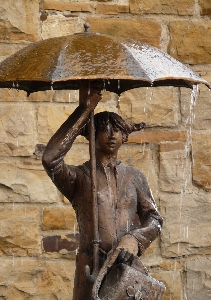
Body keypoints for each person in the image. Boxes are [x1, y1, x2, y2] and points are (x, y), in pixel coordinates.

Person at [42, 83, 163, 300]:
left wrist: (135, 240)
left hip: (126, 269)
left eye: (116, 129)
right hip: (91, 267)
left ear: (124, 135)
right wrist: (84, 111)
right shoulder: (79, 177)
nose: (111, 134)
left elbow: (154, 219)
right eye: (103, 128)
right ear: (91, 134)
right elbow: (50, 158)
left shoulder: (135, 177)